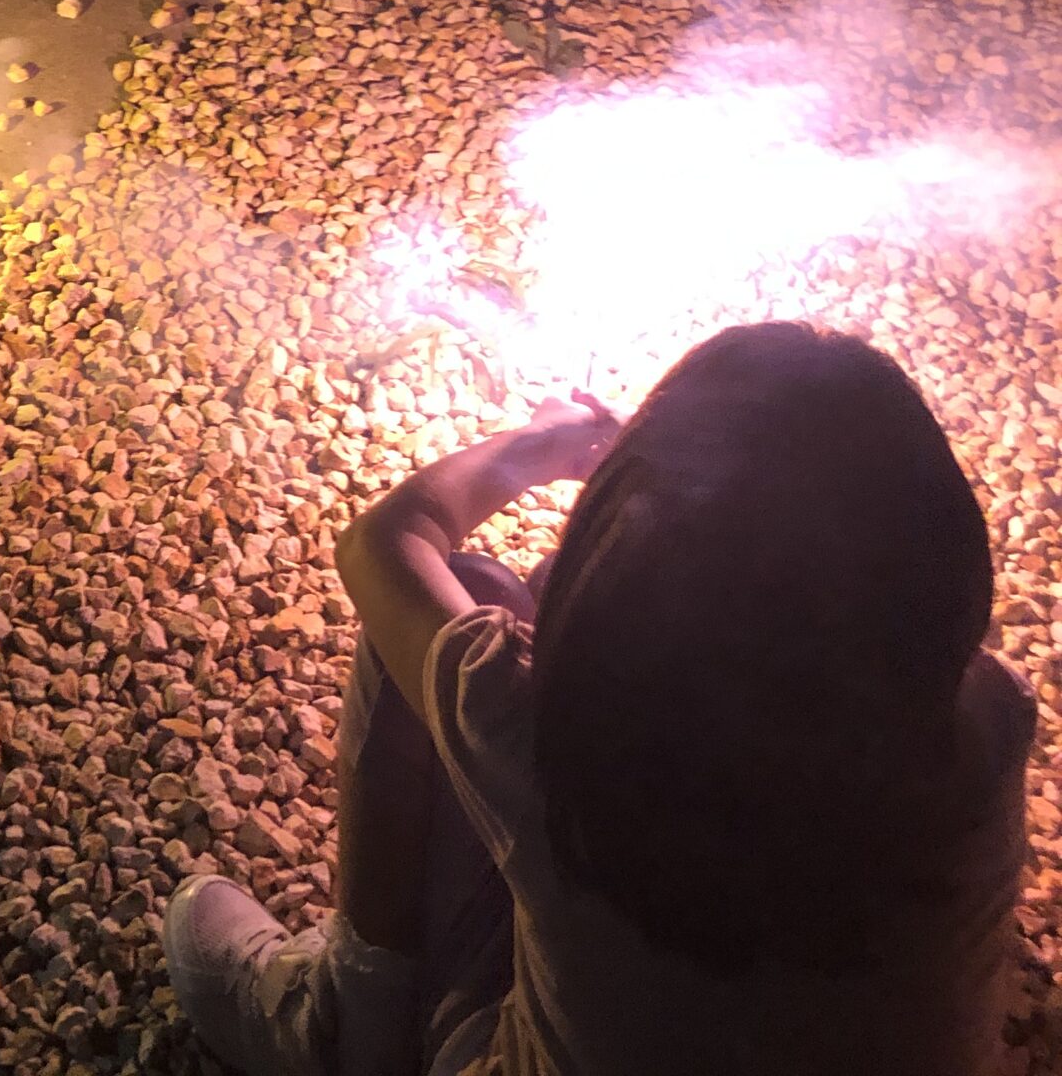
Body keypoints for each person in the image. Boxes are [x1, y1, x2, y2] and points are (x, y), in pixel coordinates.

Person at [165, 321, 1034, 1076]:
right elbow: (818, 623)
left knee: (475, 586)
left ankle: (345, 1025)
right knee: (546, 593)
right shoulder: (989, 723)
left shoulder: (545, 743)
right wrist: (696, 502)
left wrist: (549, 452)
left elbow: (383, 542)